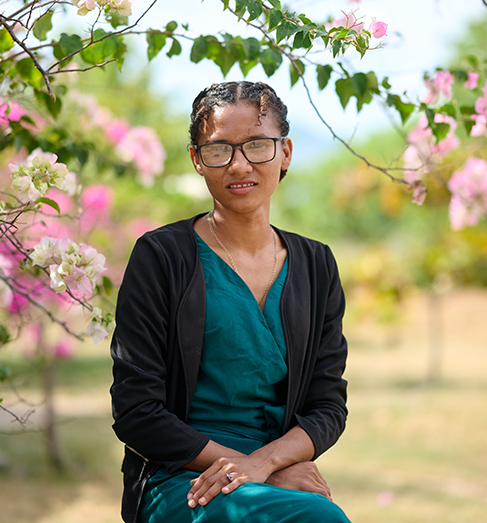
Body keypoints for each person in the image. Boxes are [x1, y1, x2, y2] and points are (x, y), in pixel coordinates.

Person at [109, 81, 351, 523]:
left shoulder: (316, 264)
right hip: (182, 475)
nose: (240, 164)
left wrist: (267, 462)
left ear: (286, 153)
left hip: (270, 467)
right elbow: (136, 412)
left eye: (258, 145)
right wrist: (257, 471)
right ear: (198, 159)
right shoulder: (162, 257)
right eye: (220, 149)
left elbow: (328, 405)